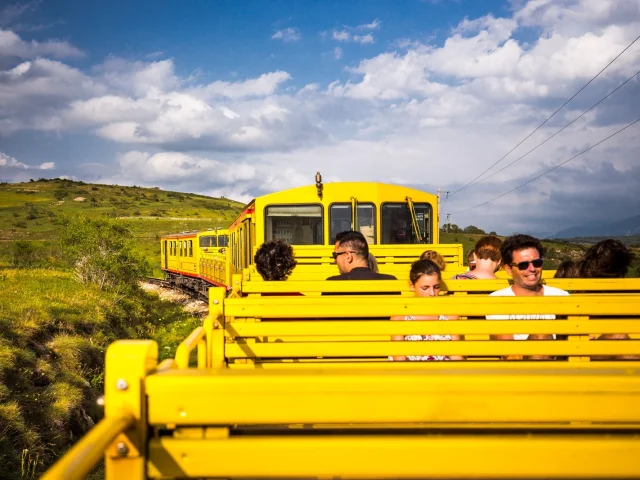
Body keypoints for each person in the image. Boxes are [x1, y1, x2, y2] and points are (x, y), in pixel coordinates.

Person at [487, 234, 568, 359]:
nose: (532, 269)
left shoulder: (561, 296)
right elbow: (508, 353)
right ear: (508, 269)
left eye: (537, 263)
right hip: (519, 372)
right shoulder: (497, 300)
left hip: (561, 369)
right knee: (541, 336)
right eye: (523, 265)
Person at [390, 259, 461, 361]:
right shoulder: (400, 316)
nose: (432, 293)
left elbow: (456, 356)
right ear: (411, 285)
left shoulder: (450, 315)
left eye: (436, 287)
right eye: (425, 288)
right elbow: (399, 359)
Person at [327, 231, 396, 280]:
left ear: (349, 256)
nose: (334, 260)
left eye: (335, 255)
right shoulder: (390, 281)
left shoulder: (332, 283)